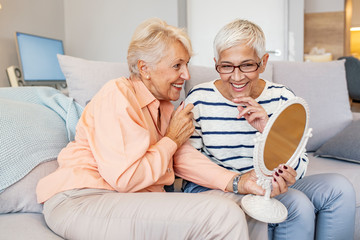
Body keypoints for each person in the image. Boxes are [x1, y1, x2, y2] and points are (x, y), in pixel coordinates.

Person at [36, 18, 267, 240]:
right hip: (83, 199)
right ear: (144, 68)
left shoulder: (164, 107)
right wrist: (171, 140)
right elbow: (126, 179)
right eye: (177, 65)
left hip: (124, 200)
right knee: (223, 215)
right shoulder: (117, 95)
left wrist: (238, 182)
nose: (186, 75)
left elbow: (183, 158)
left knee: (248, 207)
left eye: (186, 64)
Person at [183, 19, 356, 240]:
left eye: (247, 65)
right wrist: (238, 182)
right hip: (222, 187)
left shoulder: (283, 98)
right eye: (226, 66)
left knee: (339, 187)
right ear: (216, 63)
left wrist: (269, 130)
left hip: (270, 187)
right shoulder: (199, 100)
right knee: (297, 205)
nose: (236, 77)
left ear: (263, 63)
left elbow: (299, 165)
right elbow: (190, 164)